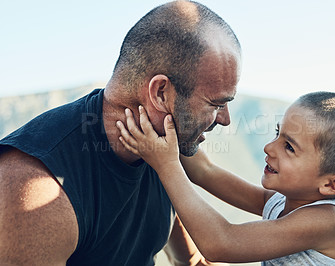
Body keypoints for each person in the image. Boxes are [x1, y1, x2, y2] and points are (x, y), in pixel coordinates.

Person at [0, 1, 241, 265]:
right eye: (216, 104)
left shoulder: (162, 152)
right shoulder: (35, 193)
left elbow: (193, 262)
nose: (226, 120)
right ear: (161, 93)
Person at [117, 91, 335, 265]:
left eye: (289, 147)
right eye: (277, 134)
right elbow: (206, 172)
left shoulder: (332, 223)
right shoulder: (281, 202)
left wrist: (166, 165)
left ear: (331, 184)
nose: (269, 148)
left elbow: (221, 243)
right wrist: (168, 130)